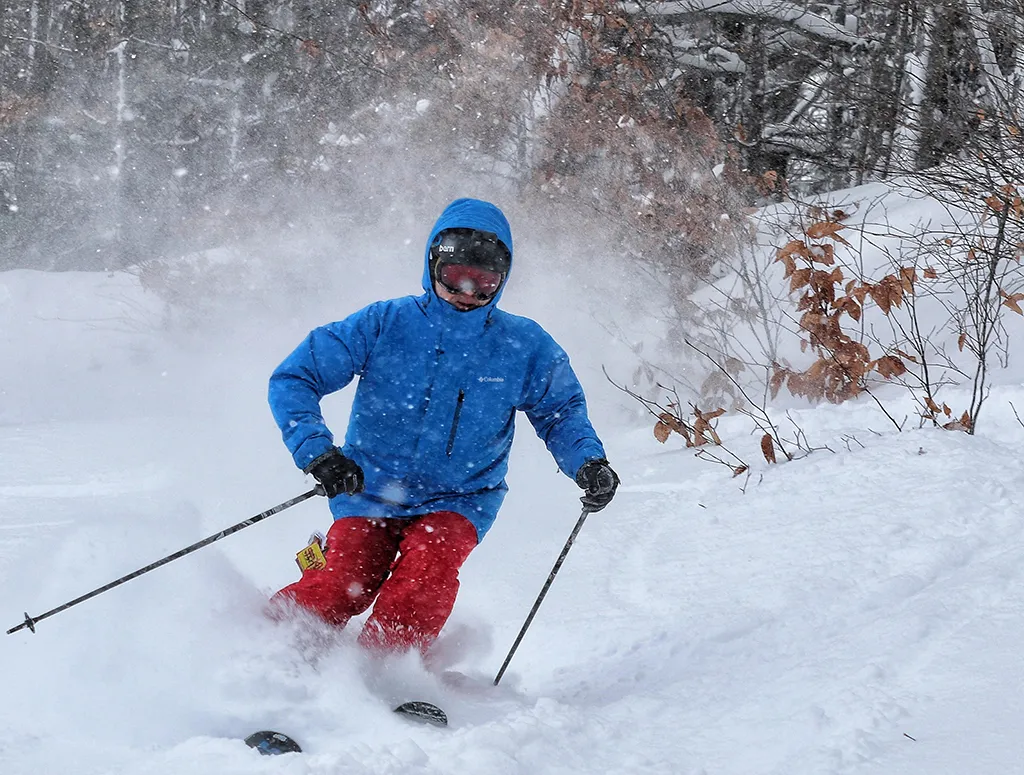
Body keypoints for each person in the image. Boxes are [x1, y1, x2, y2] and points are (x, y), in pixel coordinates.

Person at [267, 197, 619, 655]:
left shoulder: (523, 345)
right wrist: (317, 451)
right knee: (345, 581)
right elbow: (296, 378)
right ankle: (272, 644)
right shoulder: (385, 324)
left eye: (485, 283)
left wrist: (588, 462)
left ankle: (385, 673)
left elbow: (560, 413)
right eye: (456, 278)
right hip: (368, 486)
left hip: (459, 498)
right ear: (434, 264)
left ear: (502, 282)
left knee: (426, 576)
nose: (467, 293)